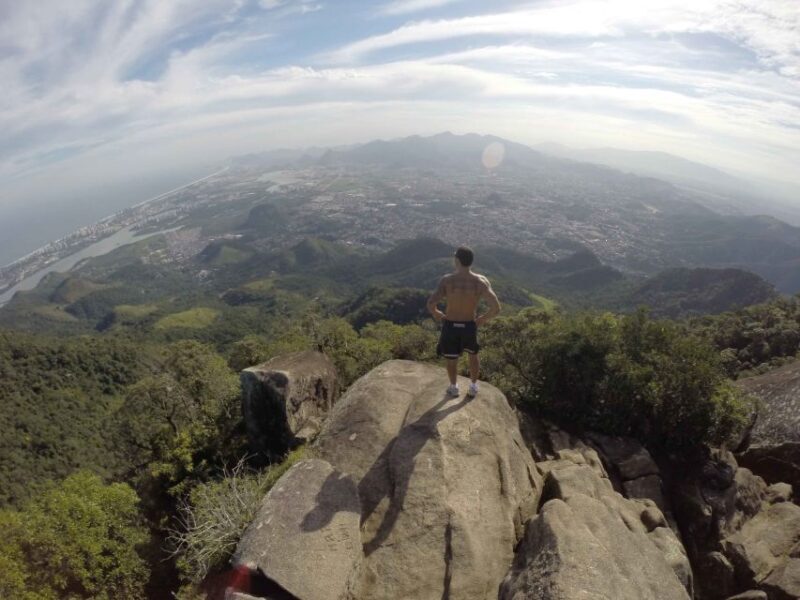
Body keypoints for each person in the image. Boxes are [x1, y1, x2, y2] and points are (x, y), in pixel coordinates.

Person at [427, 246, 501, 397]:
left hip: (450, 325)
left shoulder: (447, 280)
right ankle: (473, 387)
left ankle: (454, 387)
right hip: (469, 325)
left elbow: (430, 303)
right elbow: (496, 308)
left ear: (457, 260)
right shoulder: (480, 282)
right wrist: (482, 319)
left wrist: (438, 314)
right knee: (473, 355)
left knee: (451, 358)